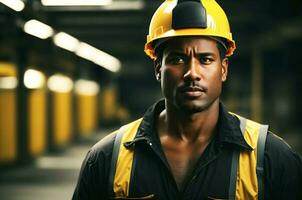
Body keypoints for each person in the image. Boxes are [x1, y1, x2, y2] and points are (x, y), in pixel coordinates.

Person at [72, 0, 302, 199]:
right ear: (158, 69)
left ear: (223, 69)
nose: (192, 72)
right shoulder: (106, 159)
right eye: (178, 59)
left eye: (205, 59)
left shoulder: (272, 159)